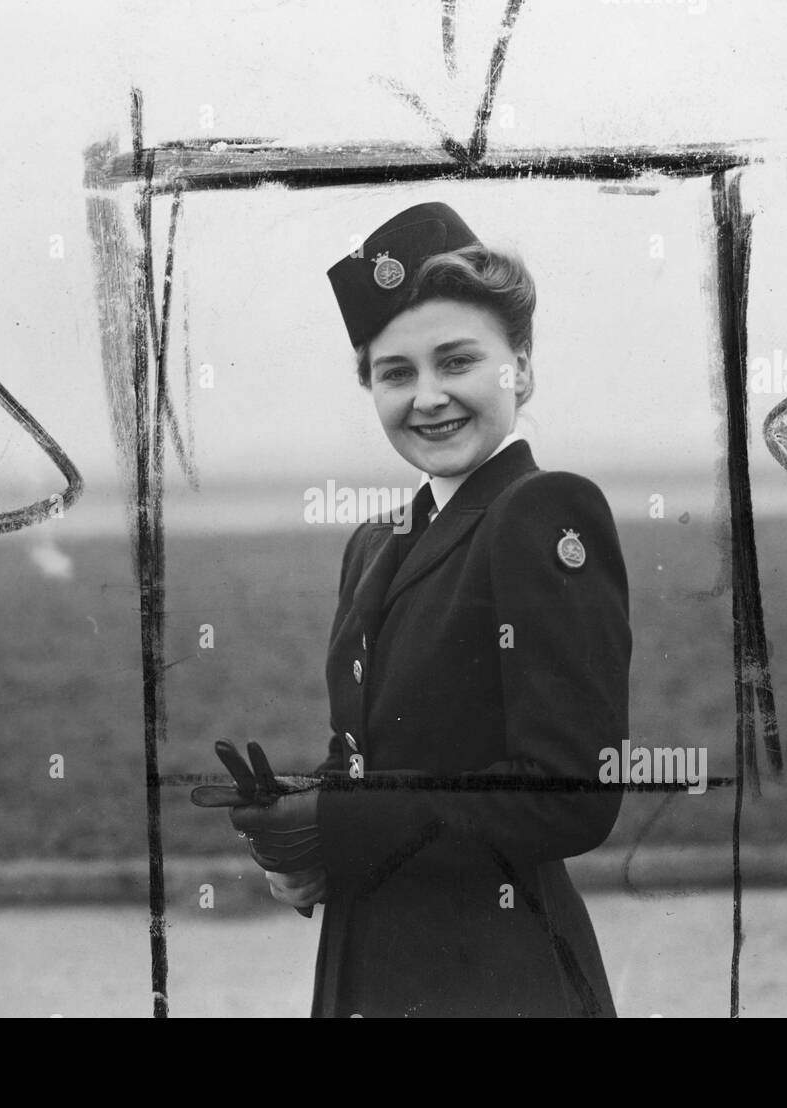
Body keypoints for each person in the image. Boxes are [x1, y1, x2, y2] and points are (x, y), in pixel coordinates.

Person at [193, 201, 632, 1017]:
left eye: (457, 362)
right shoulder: (375, 542)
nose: (428, 398)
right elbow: (370, 756)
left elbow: (573, 792)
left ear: (521, 370)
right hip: (368, 969)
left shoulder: (542, 513)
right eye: (397, 373)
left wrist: (339, 822)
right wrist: (299, 840)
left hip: (498, 979)